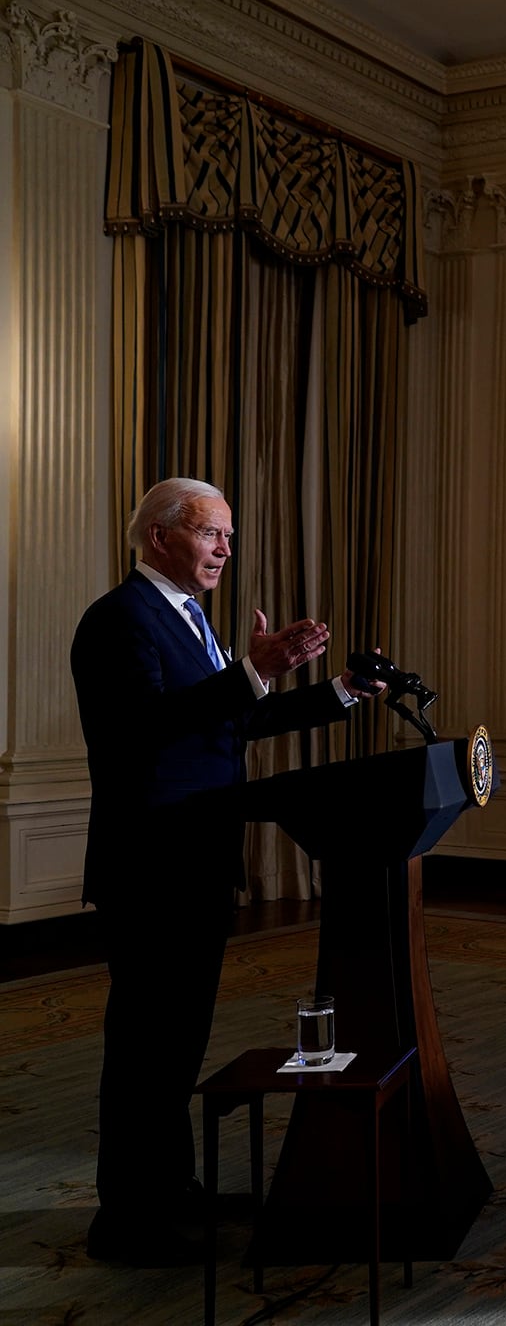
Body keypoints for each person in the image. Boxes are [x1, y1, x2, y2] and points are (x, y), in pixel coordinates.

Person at [72, 479, 384, 1266]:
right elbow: (146, 728)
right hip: (149, 867)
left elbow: (233, 721)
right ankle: (126, 1221)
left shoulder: (191, 619)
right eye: (211, 533)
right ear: (159, 537)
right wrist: (250, 670)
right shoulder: (119, 621)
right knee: (144, 1046)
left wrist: (339, 692)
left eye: (228, 537)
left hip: (199, 862)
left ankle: (170, 1187)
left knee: (179, 1043)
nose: (225, 549)